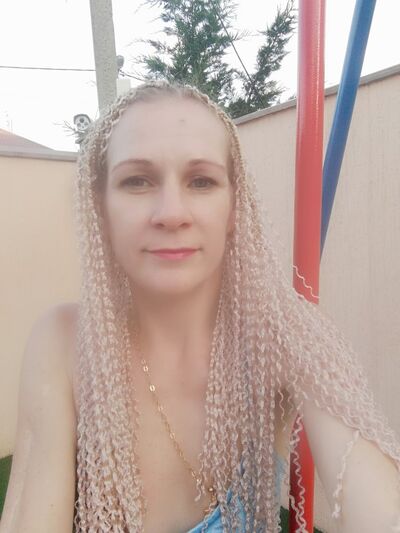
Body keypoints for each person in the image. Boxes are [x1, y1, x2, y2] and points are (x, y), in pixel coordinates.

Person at [1, 80, 400, 533]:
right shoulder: (66, 343)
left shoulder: (280, 335)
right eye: (137, 181)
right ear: (101, 207)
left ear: (233, 206)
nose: (172, 213)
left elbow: (381, 508)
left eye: (201, 181)